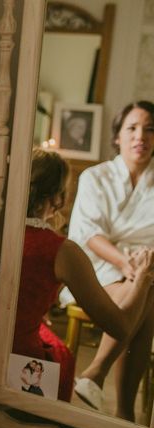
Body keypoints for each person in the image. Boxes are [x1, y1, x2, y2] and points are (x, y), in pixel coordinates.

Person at [14, 148, 154, 403]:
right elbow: (120, 328)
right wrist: (143, 277)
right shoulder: (61, 251)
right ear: (59, 199)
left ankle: (100, 381)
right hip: (21, 368)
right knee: (61, 356)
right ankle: (112, 396)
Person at [61, 101, 154, 421]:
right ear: (118, 136)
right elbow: (89, 234)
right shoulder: (94, 177)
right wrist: (129, 265)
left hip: (148, 266)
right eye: (132, 128)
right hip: (98, 265)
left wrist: (143, 266)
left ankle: (95, 375)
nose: (140, 136)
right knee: (145, 293)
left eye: (150, 129)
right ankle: (123, 411)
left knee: (146, 287)